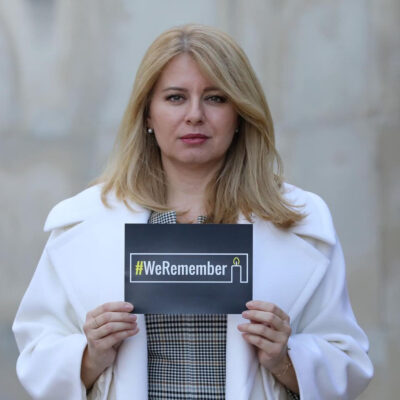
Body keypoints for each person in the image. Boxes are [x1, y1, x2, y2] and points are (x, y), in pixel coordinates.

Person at [13, 24, 373, 400]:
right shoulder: (83, 222)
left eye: (215, 98)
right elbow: (36, 355)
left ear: (240, 113)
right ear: (147, 114)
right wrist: (90, 356)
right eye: (175, 97)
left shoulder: (301, 221)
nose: (195, 115)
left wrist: (286, 358)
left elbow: (349, 361)